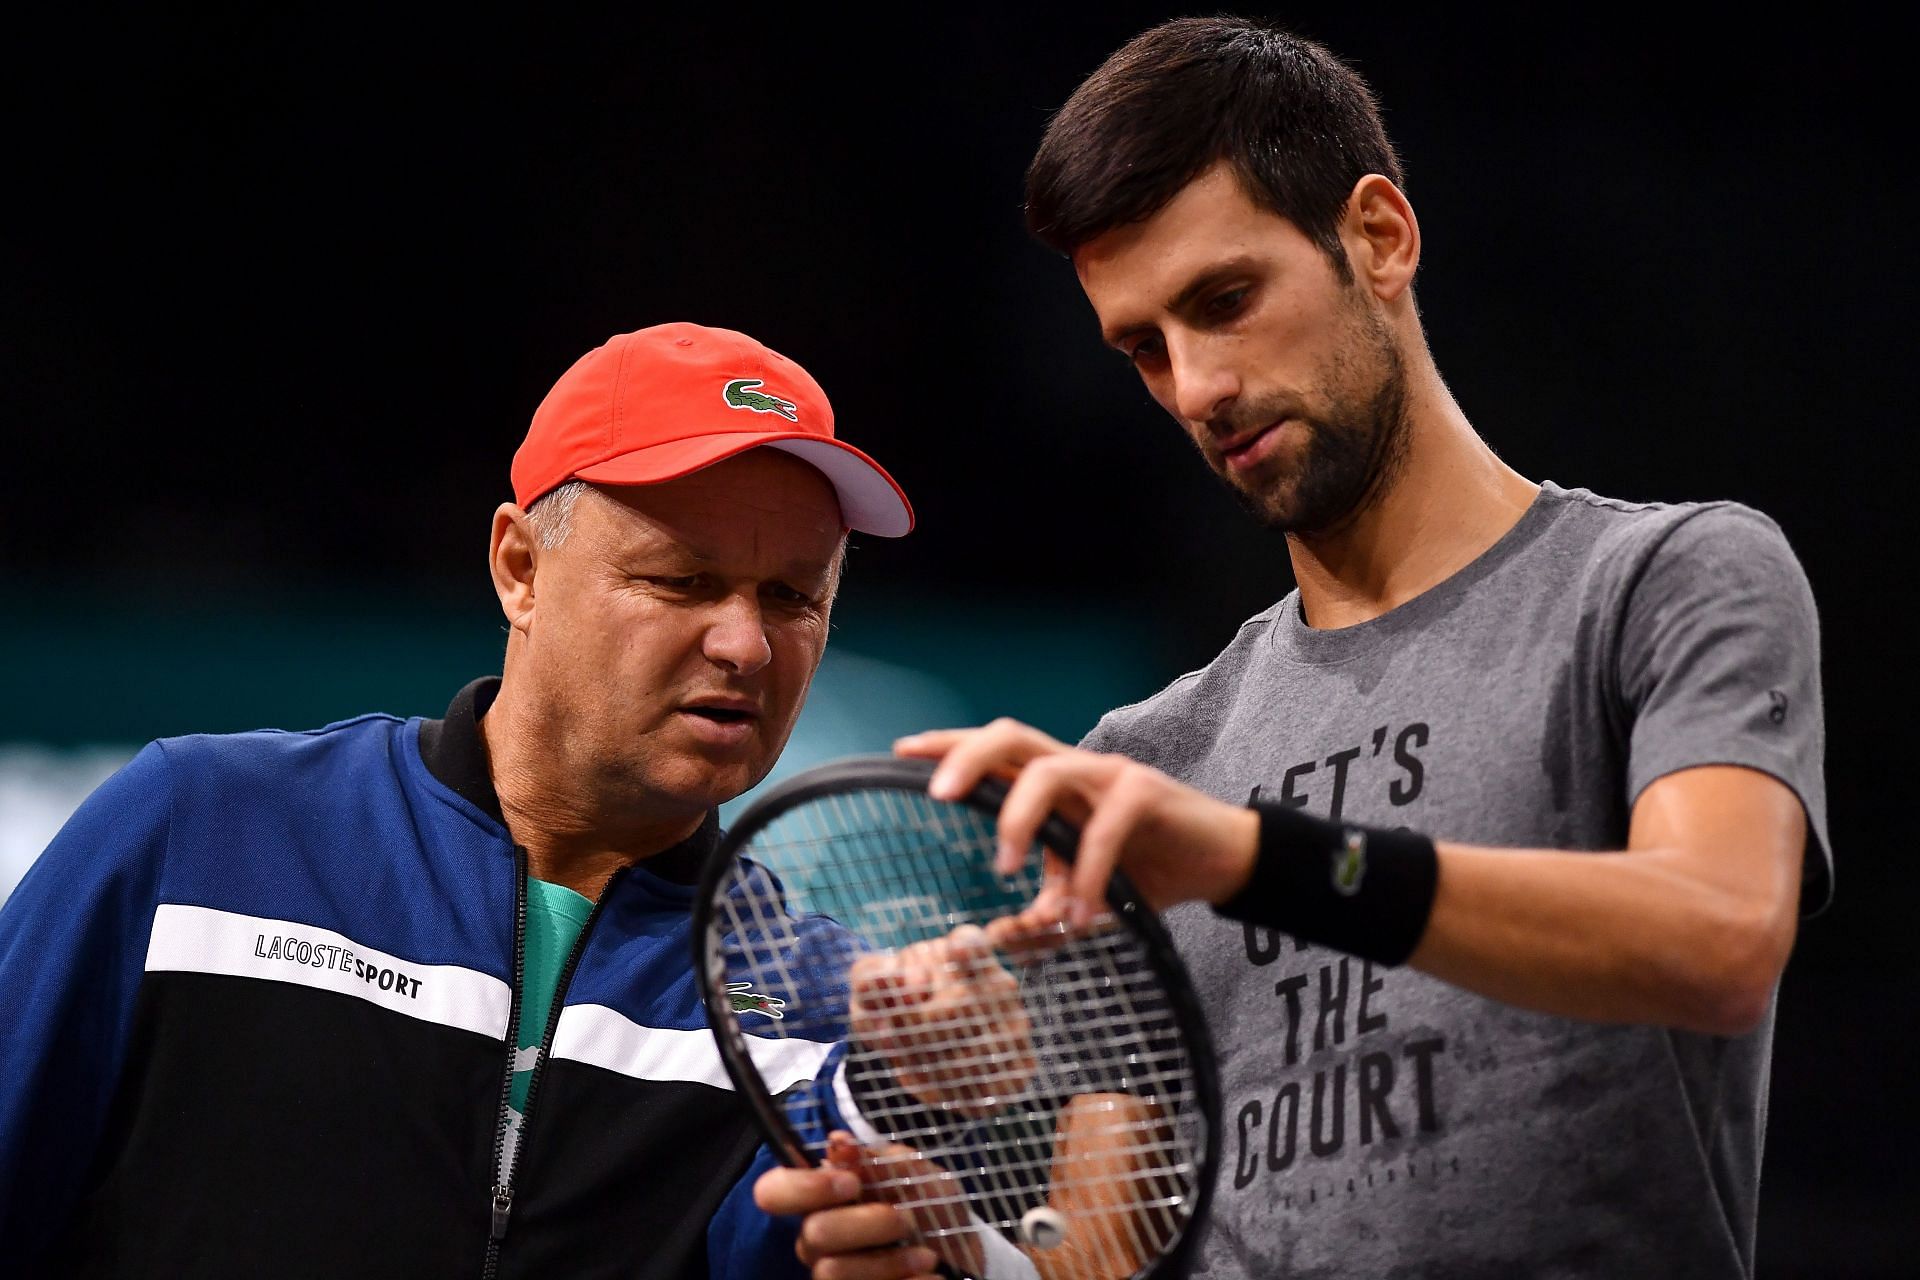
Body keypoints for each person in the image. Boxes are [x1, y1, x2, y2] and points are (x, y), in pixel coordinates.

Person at [758, 17, 1826, 1279]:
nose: (1196, 386)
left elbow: (1717, 937)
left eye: (1225, 300)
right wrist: (968, 1259)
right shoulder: (1148, 759)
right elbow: (1106, 1252)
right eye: (1144, 348)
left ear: (1378, 235)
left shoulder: (1666, 580)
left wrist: (1246, 855)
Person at [0, 321, 917, 1278]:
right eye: (683, 580)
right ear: (520, 570)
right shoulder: (202, 831)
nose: (746, 645)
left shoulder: (823, 1018)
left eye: (791, 598)